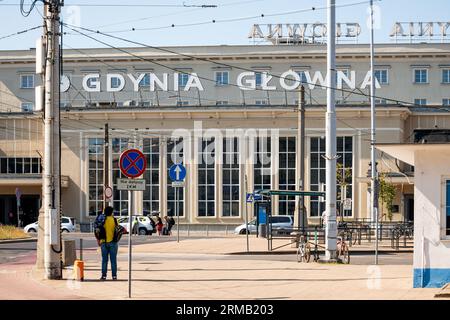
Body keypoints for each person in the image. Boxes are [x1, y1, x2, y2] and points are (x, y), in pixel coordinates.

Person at [98, 206, 118, 281]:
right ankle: (114, 276)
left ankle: (103, 276)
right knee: (113, 260)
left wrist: (98, 240)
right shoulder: (114, 220)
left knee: (104, 260)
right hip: (113, 242)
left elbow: (98, 230)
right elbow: (117, 230)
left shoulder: (102, 220)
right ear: (111, 212)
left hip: (103, 242)